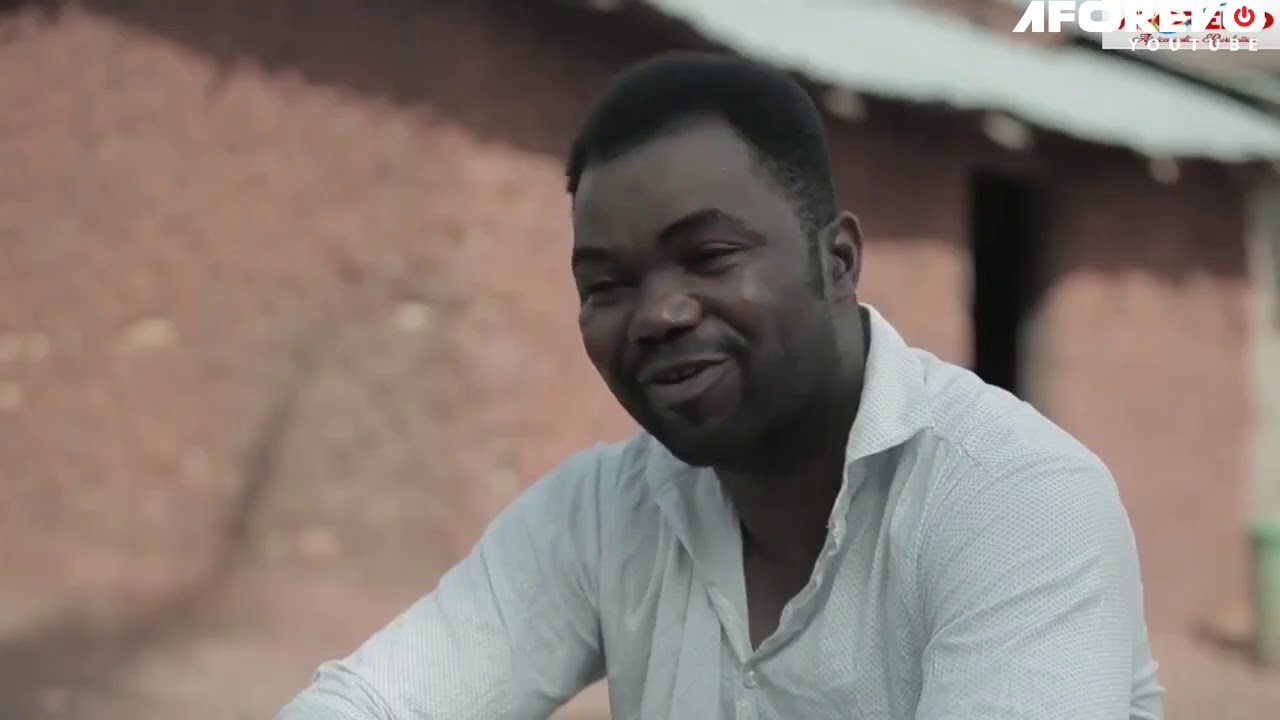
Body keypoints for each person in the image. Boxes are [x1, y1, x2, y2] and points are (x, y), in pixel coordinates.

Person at [276, 52, 1163, 720]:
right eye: (606, 285)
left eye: (708, 256)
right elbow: (375, 701)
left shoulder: (1013, 501)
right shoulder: (607, 512)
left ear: (837, 261)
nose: (657, 315)